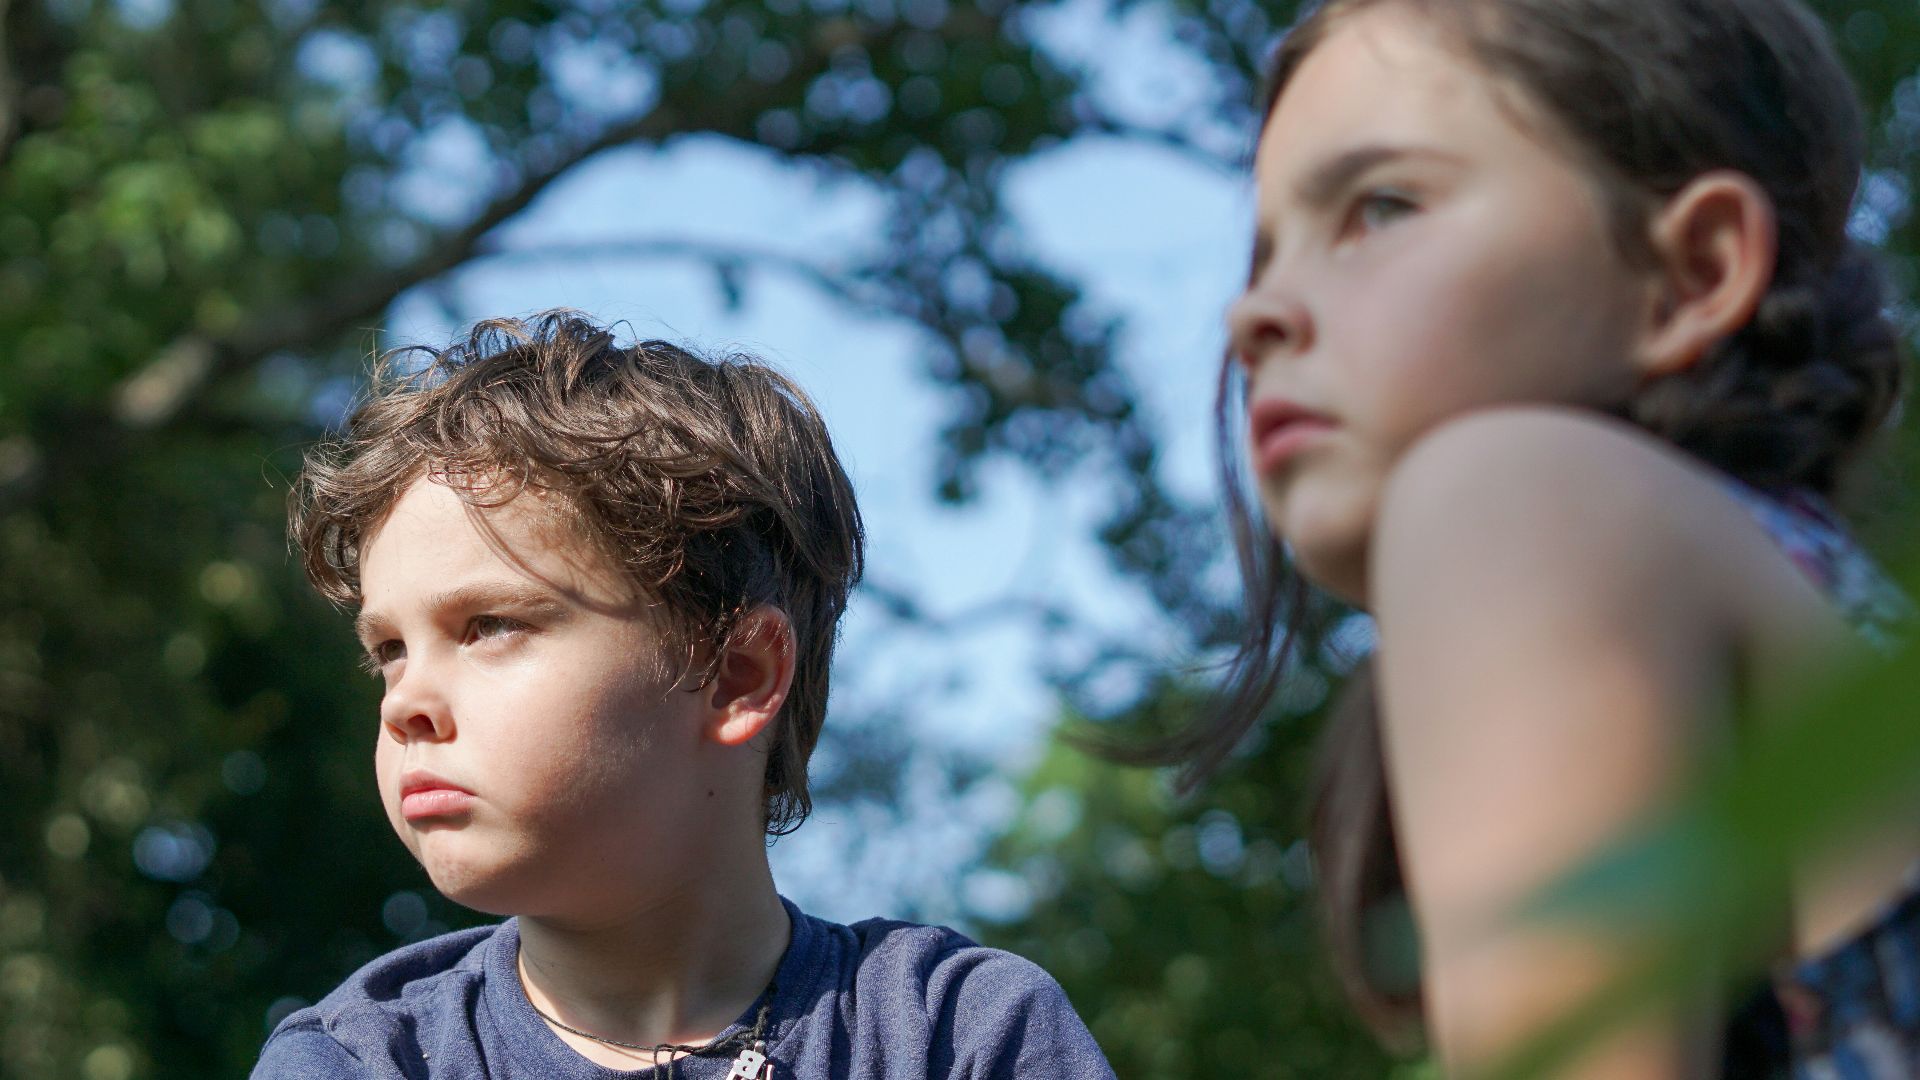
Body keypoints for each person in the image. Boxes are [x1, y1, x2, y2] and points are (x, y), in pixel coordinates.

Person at [1168, 0, 1913, 1075]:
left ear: (1696, 270)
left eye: (1381, 206)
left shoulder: (1510, 496)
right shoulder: (1827, 616)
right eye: (1265, 253)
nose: (1253, 316)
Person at [253, 311, 1115, 1079]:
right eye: (390, 651)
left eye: (490, 626)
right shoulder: (357, 1060)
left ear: (737, 676)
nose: (405, 704)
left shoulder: (958, 1036)